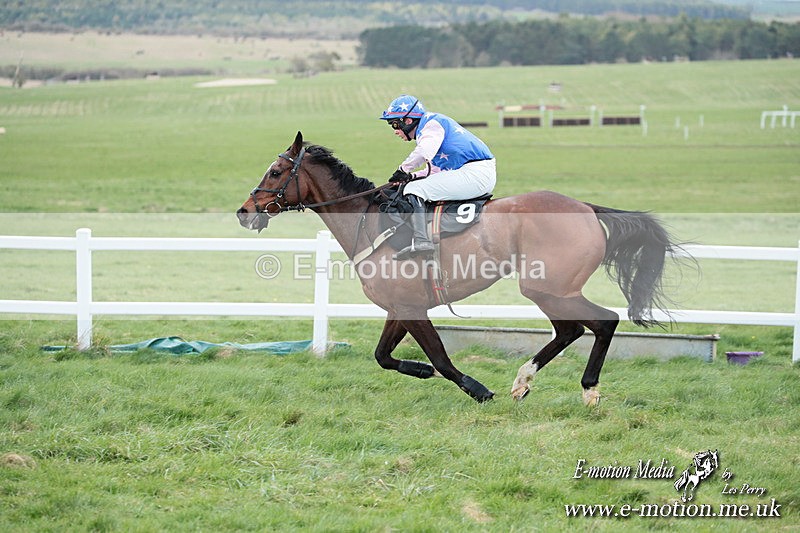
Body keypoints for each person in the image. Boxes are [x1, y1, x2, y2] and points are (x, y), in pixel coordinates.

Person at [380, 94, 496, 260]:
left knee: (414, 190)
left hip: (476, 173)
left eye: (394, 124)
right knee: (412, 185)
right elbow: (434, 172)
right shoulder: (429, 130)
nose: (395, 131)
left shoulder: (431, 125)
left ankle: (422, 241)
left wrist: (402, 169)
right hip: (474, 172)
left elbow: (423, 152)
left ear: (408, 121)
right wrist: (411, 176)